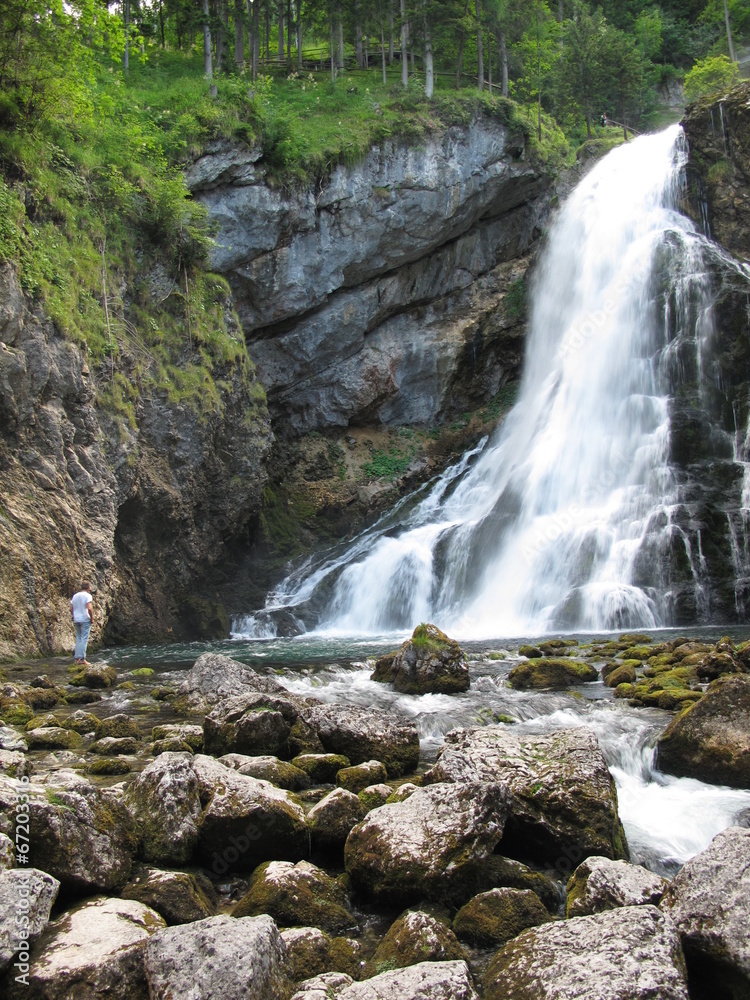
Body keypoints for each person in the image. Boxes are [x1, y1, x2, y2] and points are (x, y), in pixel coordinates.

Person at [70, 581, 94, 665]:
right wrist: (91, 618)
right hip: (85, 619)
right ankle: (83, 659)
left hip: (76, 619)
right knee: (84, 639)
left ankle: (77, 658)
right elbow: (90, 608)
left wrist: (73, 616)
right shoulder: (88, 596)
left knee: (78, 638)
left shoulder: (75, 596)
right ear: (88, 587)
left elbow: (71, 608)